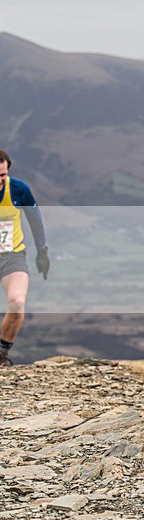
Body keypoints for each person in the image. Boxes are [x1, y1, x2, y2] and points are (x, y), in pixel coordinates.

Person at [0, 150, 50, 367]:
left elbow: (35, 219)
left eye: (2, 175)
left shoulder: (18, 189)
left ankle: (1, 354)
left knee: (17, 302)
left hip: (12, 256)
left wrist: (42, 252)